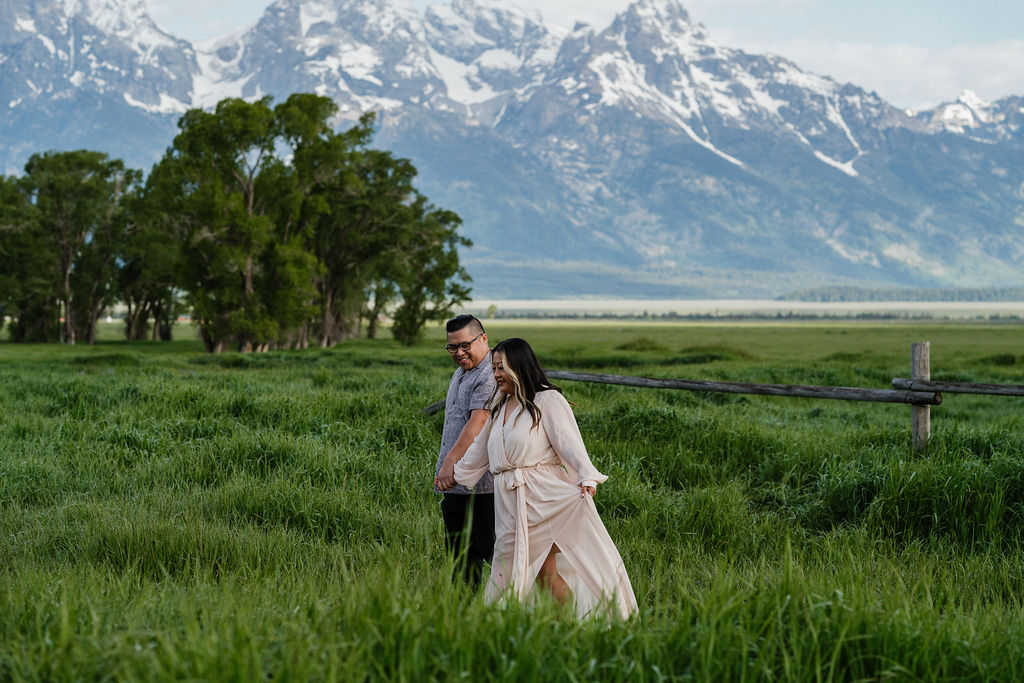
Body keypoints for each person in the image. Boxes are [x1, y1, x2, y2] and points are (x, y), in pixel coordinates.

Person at [439, 338, 638, 619]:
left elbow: (569, 444)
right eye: (494, 367)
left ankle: (561, 626)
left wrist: (586, 477)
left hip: (543, 498)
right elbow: (480, 451)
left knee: (543, 571)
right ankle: (525, 628)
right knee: (509, 568)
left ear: (519, 367)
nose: (496, 374)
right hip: (509, 502)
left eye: (501, 368)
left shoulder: (547, 400)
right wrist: (453, 475)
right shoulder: (499, 404)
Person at [433, 314, 496, 586]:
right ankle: (462, 618)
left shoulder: (491, 373)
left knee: (496, 556)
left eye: (465, 345)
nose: (459, 353)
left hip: (484, 487)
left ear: (483, 339)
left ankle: (516, 614)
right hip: (457, 487)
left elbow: (478, 422)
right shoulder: (462, 371)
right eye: (452, 347)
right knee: (460, 561)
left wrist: (449, 464)